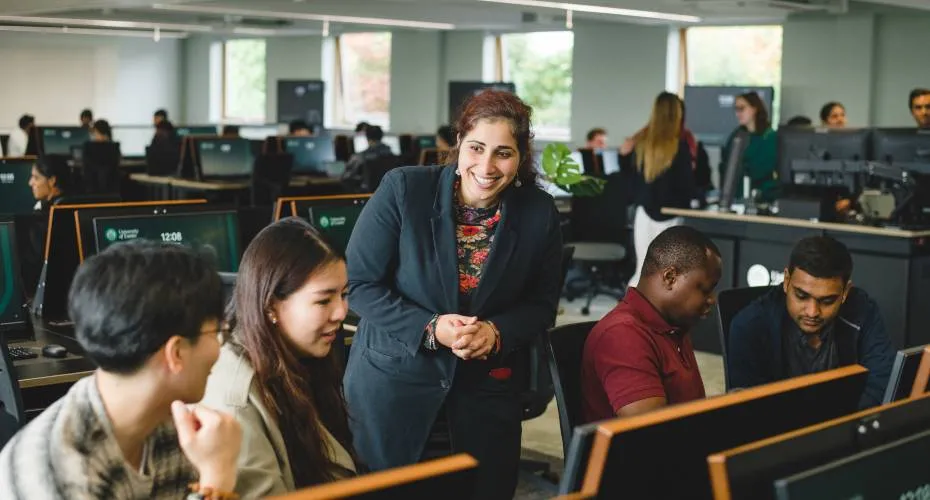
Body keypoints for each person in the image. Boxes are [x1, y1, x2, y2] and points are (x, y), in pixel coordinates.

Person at [344, 90, 562, 500]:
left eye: (503, 153)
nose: (487, 165)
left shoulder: (538, 212)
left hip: (485, 396)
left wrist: (497, 332)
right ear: (458, 142)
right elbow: (359, 285)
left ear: (520, 158)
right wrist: (430, 328)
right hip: (396, 387)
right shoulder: (405, 190)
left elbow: (541, 304)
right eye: (477, 147)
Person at [0, 241, 243, 499]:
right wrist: (217, 477)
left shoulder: (169, 426)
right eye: (217, 333)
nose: (219, 349)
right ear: (177, 352)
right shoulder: (58, 479)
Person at [201, 218, 358, 497]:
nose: (341, 312)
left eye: (344, 295)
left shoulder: (299, 359)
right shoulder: (234, 396)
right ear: (271, 305)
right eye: (324, 301)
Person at [728, 236, 895, 409]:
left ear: (845, 292)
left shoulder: (863, 310)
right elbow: (749, 410)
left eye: (827, 301)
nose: (812, 312)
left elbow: (882, 381)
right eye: (801, 296)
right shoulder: (750, 325)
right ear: (786, 281)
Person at [581, 226, 721, 422]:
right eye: (705, 289)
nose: (712, 300)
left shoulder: (673, 325)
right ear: (670, 277)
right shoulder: (623, 336)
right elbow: (651, 436)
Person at [625, 92, 695, 288]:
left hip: (644, 213)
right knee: (666, 273)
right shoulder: (680, 147)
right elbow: (686, 188)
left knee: (642, 270)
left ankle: (631, 314)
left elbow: (632, 183)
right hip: (670, 215)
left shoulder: (641, 146)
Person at [721, 92, 778, 202]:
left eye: (741, 108)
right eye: (736, 109)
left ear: (754, 109)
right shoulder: (736, 135)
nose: (738, 113)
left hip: (762, 195)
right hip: (736, 196)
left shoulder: (769, 136)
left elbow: (764, 169)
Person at [342, 125, 394, 189]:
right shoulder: (393, 157)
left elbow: (346, 178)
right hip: (389, 194)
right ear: (381, 137)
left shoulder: (359, 157)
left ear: (367, 138)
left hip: (367, 196)